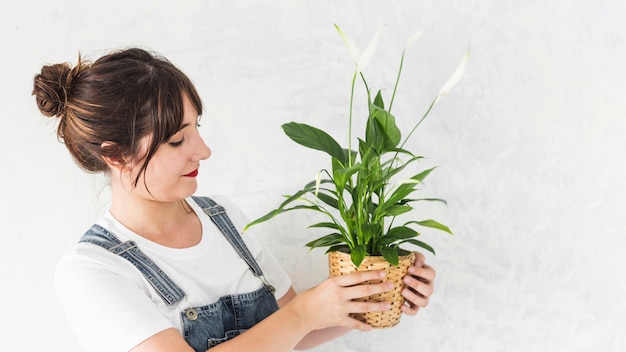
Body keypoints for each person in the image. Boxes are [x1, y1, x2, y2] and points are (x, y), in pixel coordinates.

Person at [32, 48, 436, 352]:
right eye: (177, 140)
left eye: (196, 128)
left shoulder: (223, 217)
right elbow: (296, 320)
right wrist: (303, 313)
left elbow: (294, 334)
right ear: (116, 155)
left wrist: (376, 293)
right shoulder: (93, 270)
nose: (203, 150)